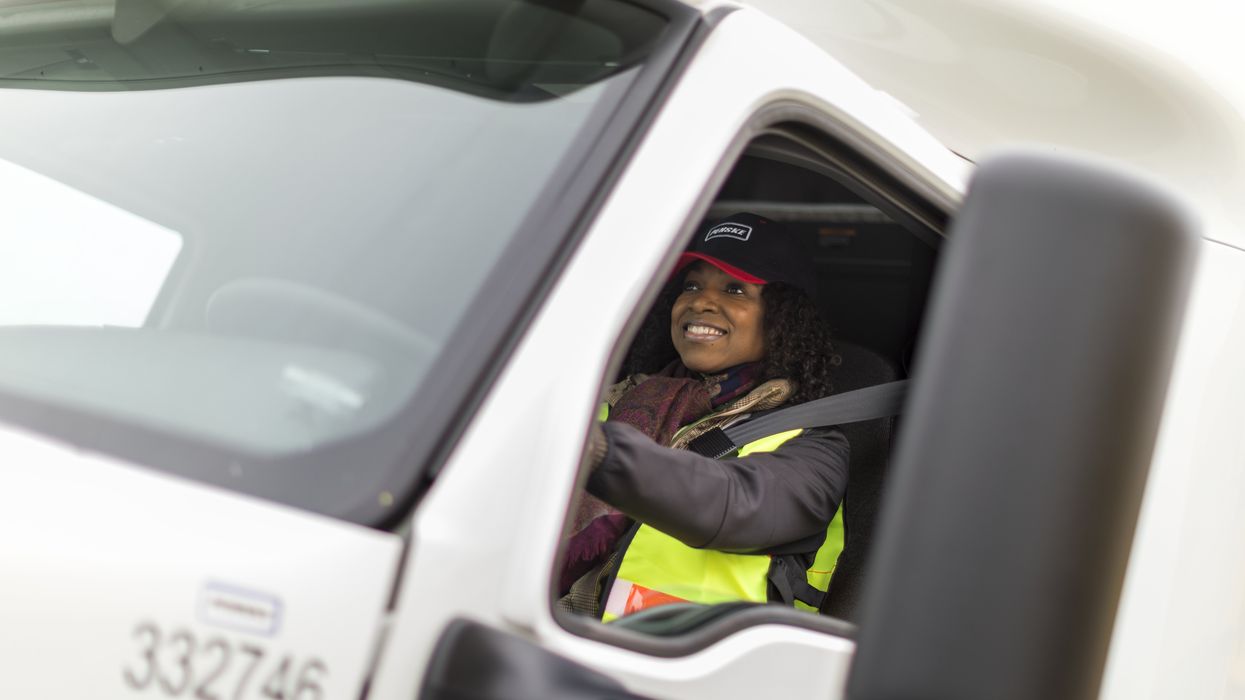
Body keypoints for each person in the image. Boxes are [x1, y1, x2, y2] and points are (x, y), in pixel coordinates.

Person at [560, 212, 850, 620]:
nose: (700, 301)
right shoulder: (617, 401)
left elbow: (735, 506)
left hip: (692, 670)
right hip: (553, 634)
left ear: (784, 318)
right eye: (691, 285)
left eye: (735, 289)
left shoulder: (813, 445)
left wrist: (601, 453)